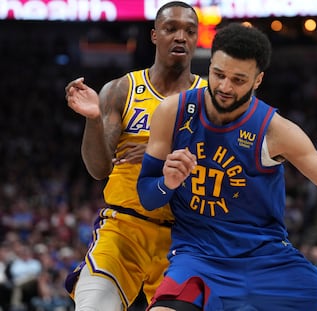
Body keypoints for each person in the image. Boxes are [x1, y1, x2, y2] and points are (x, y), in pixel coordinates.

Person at [137, 22, 317, 311]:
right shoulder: (173, 112)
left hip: (269, 260)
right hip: (198, 259)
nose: (225, 87)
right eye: (218, 74)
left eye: (238, 79)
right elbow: (147, 195)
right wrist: (166, 183)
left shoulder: (275, 131)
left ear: (258, 80)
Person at [64, 2, 207, 311]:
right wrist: (93, 119)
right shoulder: (121, 90)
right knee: (92, 306)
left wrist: (158, 152)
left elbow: (224, 163)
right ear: (154, 36)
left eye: (189, 31)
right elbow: (98, 169)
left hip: (185, 237)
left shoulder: (210, 99)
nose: (181, 37)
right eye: (171, 29)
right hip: (124, 229)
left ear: (197, 39)